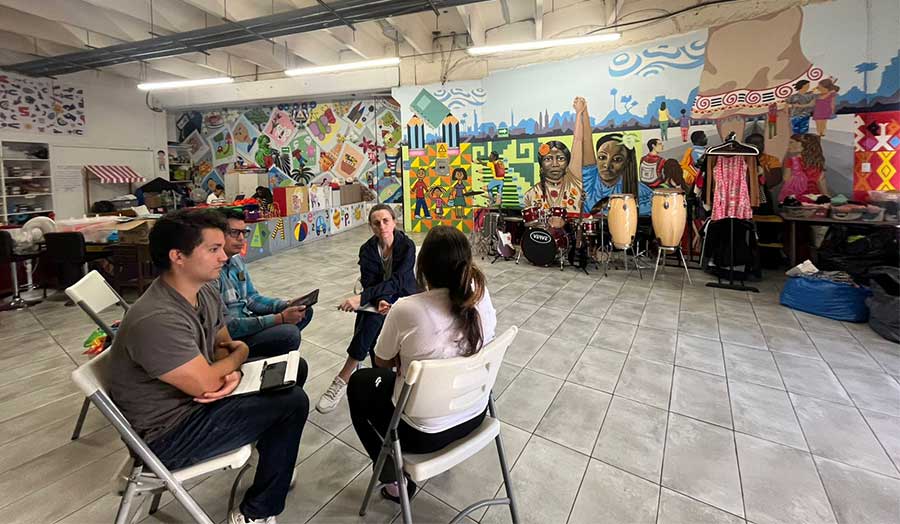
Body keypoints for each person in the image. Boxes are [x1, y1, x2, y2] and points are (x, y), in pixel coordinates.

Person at [106, 209, 309, 524]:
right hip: (167, 435)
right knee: (292, 402)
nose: (224, 257)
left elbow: (221, 346)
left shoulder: (204, 292)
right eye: (213, 249)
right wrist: (235, 360)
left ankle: (271, 456)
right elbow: (214, 374)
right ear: (178, 257)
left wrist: (229, 367)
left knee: (293, 370)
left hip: (195, 403)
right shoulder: (157, 317)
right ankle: (256, 512)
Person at [347, 225, 496, 504]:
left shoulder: (406, 308)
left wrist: (398, 327)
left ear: (422, 266)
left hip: (423, 435)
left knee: (359, 383)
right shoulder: (480, 294)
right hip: (475, 413)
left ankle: (394, 480)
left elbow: (381, 361)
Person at [316, 204, 416, 413]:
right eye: (376, 223)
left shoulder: (407, 246)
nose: (382, 226)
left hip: (404, 297)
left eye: (385, 221)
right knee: (373, 316)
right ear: (371, 227)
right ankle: (375, 378)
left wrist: (363, 297)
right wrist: (378, 299)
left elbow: (398, 281)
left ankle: (345, 375)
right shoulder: (368, 249)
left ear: (394, 222)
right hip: (379, 296)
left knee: (370, 316)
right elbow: (369, 281)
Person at [218, 208, 314, 359]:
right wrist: (279, 318)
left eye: (245, 232)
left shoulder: (237, 260)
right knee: (290, 334)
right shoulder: (209, 273)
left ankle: (271, 353)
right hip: (234, 338)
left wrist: (285, 304)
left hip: (248, 319)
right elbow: (228, 327)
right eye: (235, 232)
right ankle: (257, 359)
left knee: (304, 311)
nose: (242, 238)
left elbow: (252, 298)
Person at [575, 99, 651, 215]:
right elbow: (586, 140)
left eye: (617, 159)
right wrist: (583, 112)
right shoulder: (591, 177)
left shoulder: (641, 192)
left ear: (627, 162)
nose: (607, 165)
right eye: (602, 157)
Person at [779, 133, 829, 202]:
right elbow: (821, 181)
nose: (788, 146)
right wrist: (826, 196)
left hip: (796, 197)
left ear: (802, 144)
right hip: (814, 197)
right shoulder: (817, 162)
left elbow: (786, 179)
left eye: (791, 142)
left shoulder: (792, 161)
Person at [744, 133, 783, 214]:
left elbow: (776, 178)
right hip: (744, 195)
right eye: (753, 143)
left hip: (763, 195)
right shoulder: (742, 160)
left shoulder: (771, 159)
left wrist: (762, 175)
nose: (757, 146)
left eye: (760, 143)